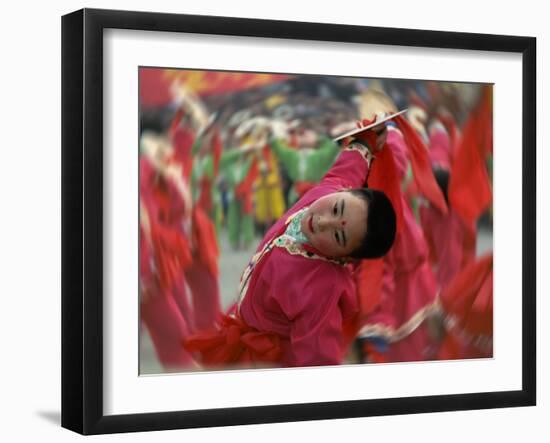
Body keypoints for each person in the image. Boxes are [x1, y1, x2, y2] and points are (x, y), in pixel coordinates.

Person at [185, 119, 397, 368]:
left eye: (338, 237)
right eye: (336, 208)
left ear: (347, 258)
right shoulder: (330, 189)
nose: (323, 222)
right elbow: (349, 167)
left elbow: (317, 358)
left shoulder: (321, 289)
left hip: (264, 357)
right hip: (244, 316)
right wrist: (366, 140)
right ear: (343, 192)